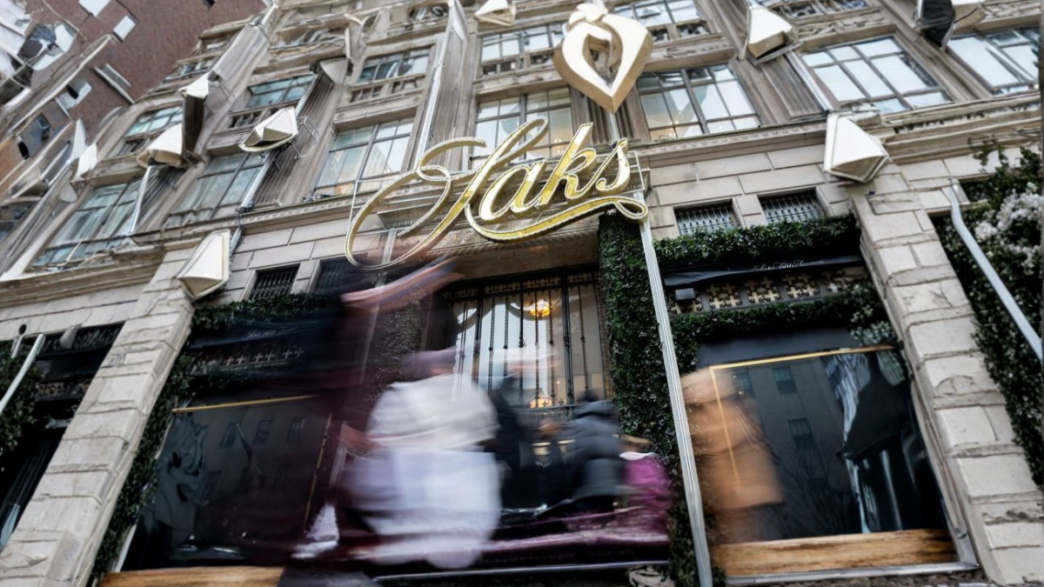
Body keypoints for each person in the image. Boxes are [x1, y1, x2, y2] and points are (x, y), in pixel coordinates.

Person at [569, 390, 622, 513]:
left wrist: (570, 488)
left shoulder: (579, 425)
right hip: (609, 489)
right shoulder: (609, 425)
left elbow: (577, 458)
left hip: (587, 490)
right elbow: (617, 456)